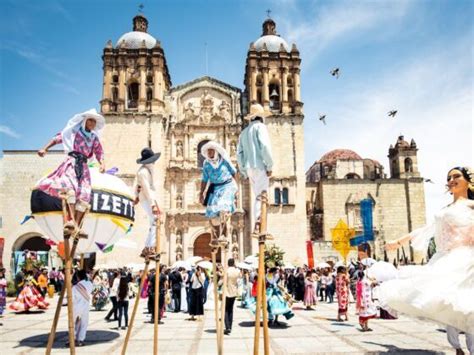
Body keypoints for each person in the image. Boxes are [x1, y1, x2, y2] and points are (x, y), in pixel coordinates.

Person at [382, 166, 474, 354]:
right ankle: (457, 347)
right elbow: (425, 230)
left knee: (467, 305)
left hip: (467, 258)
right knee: (448, 303)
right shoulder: (445, 209)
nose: (451, 180)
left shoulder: (472, 206)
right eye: (449, 177)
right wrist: (398, 242)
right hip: (445, 260)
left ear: (468, 181)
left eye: (456, 176)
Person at [36, 109, 105, 235]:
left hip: (83, 167)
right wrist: (44, 148)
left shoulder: (94, 138)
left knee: (84, 195)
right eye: (90, 120)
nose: (92, 123)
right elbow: (58, 138)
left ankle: (77, 226)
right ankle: (71, 220)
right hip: (72, 163)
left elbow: (99, 151)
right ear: (85, 121)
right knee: (70, 191)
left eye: (94, 121)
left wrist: (102, 163)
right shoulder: (74, 132)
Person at [237, 103, 273, 232]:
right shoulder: (260, 127)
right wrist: (269, 166)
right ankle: (259, 223)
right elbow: (265, 147)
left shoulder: (243, 133)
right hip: (260, 165)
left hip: (249, 169)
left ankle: (258, 223)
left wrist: (244, 172)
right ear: (261, 117)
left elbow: (239, 154)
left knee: (257, 194)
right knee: (262, 195)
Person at [199, 141, 238, 240]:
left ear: (216, 151)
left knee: (223, 208)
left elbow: (234, 172)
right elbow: (204, 179)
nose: (209, 153)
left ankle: (224, 235)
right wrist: (201, 193)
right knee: (212, 212)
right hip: (213, 187)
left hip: (227, 185)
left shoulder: (224, 161)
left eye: (211, 151)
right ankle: (216, 237)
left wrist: (236, 188)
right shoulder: (206, 164)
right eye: (208, 151)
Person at [134, 147, 162, 258]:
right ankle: (150, 247)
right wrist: (153, 204)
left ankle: (147, 247)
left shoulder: (146, 170)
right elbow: (146, 188)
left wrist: (136, 196)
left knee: (154, 221)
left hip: (148, 198)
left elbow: (138, 186)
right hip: (147, 199)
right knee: (155, 220)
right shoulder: (143, 172)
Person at [71, 269, 93, 346]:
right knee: (84, 324)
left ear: (78, 277)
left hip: (76, 307)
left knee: (72, 324)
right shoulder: (90, 284)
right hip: (86, 306)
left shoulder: (75, 287)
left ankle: (72, 339)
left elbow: (71, 298)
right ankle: (80, 340)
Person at [224, 258, 241, 335]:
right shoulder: (237, 271)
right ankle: (230, 326)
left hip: (227, 291)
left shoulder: (226, 271)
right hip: (234, 291)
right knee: (230, 309)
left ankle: (227, 327)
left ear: (228, 263)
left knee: (226, 310)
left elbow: (223, 281)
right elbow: (240, 278)